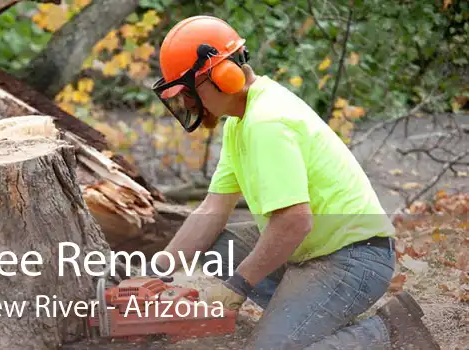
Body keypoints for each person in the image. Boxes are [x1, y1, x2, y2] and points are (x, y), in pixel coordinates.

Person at [147, 15, 440, 350]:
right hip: (313, 247)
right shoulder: (239, 122)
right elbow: (213, 208)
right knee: (219, 246)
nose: (186, 103)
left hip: (354, 258)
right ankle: (304, 318)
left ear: (222, 76)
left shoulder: (267, 121)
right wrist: (157, 271)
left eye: (189, 91)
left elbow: (294, 221)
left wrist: (238, 285)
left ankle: (389, 330)